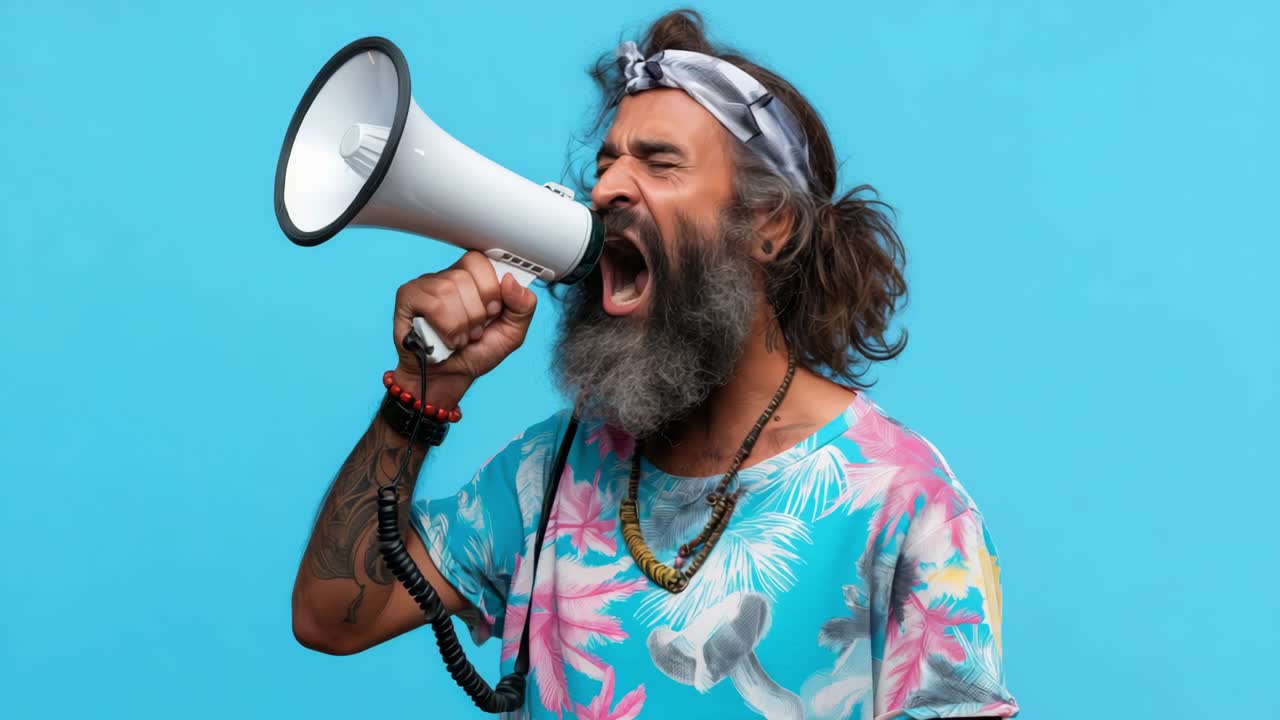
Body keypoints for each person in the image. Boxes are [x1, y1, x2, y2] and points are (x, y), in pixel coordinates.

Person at [291, 9, 1020, 720]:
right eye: (605, 164)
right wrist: (424, 395)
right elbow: (334, 617)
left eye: (659, 162)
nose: (605, 189)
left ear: (769, 226)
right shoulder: (550, 473)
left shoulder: (906, 504)